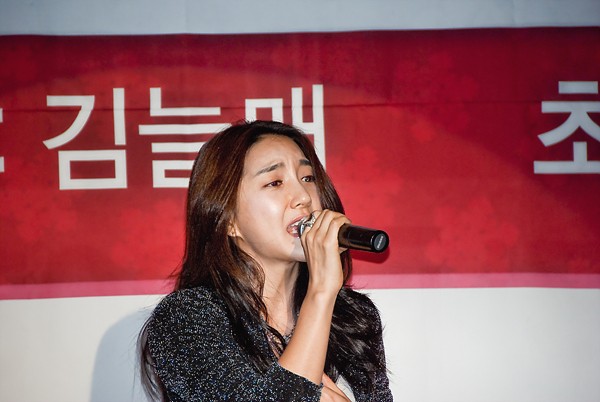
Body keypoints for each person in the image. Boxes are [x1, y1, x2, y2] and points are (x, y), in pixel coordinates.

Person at [138, 120, 393, 401]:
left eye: (308, 178)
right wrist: (320, 292)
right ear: (228, 220)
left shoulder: (353, 316)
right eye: (275, 182)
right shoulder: (187, 319)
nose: (303, 198)